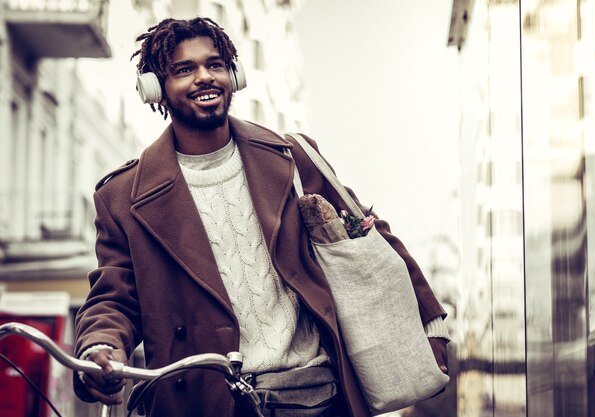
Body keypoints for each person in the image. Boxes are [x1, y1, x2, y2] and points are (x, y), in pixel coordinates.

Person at [73, 17, 450, 417]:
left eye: (215, 65)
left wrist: (431, 323)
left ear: (234, 76)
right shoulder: (122, 197)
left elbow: (370, 235)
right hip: (204, 402)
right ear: (155, 89)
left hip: (314, 394)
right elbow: (113, 296)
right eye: (184, 70)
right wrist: (101, 346)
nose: (204, 77)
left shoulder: (291, 157)